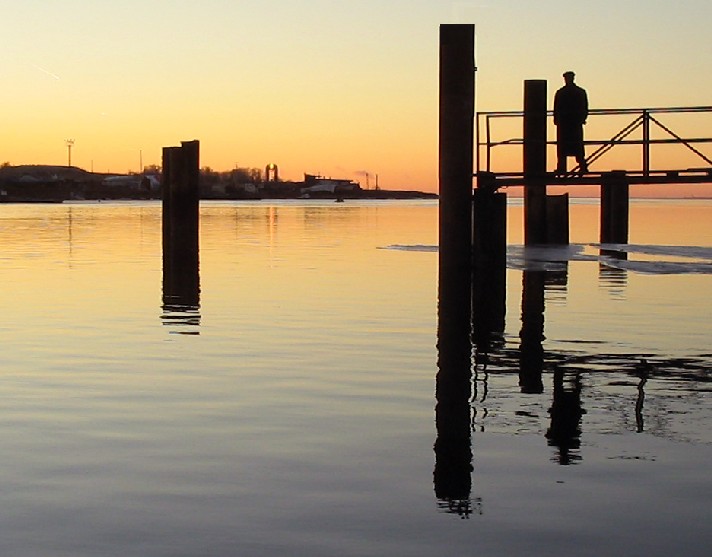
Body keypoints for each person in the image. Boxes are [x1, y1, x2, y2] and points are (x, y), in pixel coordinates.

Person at [554, 71, 588, 174]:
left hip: (567, 123)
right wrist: (582, 118)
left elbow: (556, 108)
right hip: (572, 123)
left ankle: (563, 168)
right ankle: (581, 167)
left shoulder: (561, 92)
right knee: (575, 146)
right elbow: (585, 106)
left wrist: (556, 119)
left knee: (565, 147)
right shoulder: (580, 92)